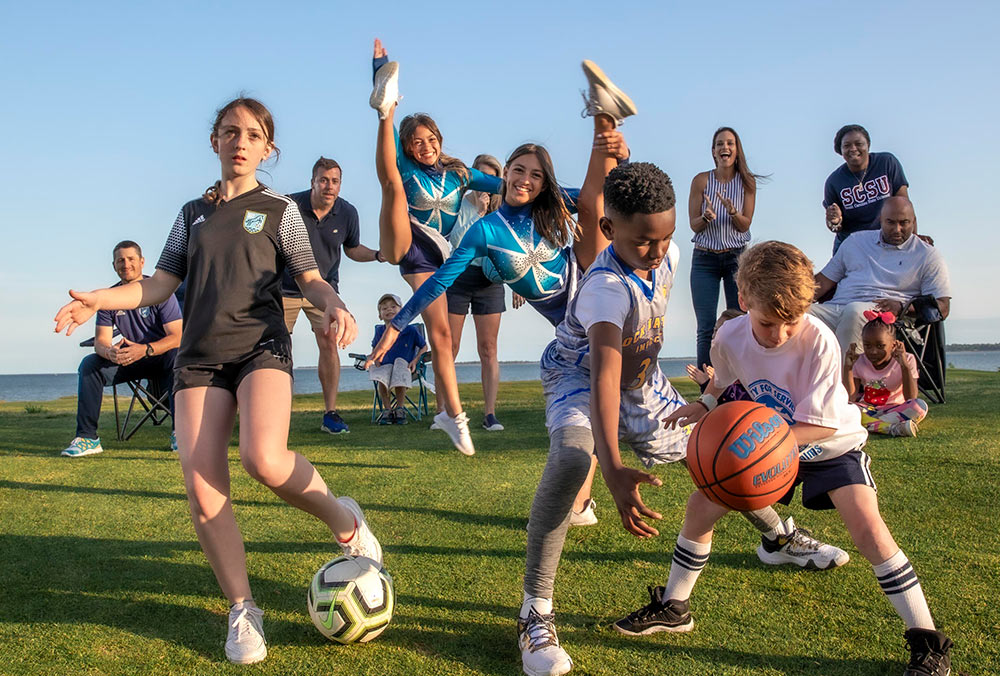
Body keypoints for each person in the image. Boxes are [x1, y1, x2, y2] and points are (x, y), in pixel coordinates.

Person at [54, 97, 381, 665]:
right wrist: (98, 301)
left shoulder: (281, 209)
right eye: (230, 132)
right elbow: (158, 284)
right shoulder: (191, 214)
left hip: (260, 346)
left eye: (252, 134)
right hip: (198, 358)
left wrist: (334, 304)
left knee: (264, 459)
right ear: (214, 141)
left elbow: (310, 277)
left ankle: (344, 520)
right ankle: (243, 609)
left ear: (267, 148)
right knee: (203, 490)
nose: (240, 141)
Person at [517, 167, 848, 676]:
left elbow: (629, 373)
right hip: (579, 379)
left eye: (667, 235)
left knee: (728, 454)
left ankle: (779, 539)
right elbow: (603, 378)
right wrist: (612, 469)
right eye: (643, 240)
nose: (657, 249)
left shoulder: (669, 253)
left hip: (643, 384)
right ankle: (535, 613)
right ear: (609, 230)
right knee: (569, 460)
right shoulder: (605, 288)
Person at [632, 241, 952, 676]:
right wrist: (705, 405)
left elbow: (820, 425)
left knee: (870, 531)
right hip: (770, 441)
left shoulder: (818, 339)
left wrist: (757, 446)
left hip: (829, 443)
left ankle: (929, 644)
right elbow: (724, 381)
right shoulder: (728, 335)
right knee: (700, 505)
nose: (780, 333)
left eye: (791, 321)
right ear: (743, 300)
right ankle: (675, 607)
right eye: (768, 322)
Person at [367, 54, 630, 457]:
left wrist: (621, 157)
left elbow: (595, 196)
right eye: (518, 171)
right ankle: (385, 108)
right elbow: (440, 281)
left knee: (594, 204)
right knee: (608, 416)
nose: (526, 180)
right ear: (504, 172)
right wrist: (397, 324)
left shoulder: (537, 199)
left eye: (536, 175)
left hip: (587, 284)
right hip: (566, 320)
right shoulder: (483, 231)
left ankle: (604, 116)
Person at [367, 39, 505, 455]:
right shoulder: (405, 163)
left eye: (430, 139)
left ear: (439, 139)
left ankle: (453, 415)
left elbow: (507, 187)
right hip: (404, 244)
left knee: (442, 335)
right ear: (408, 145)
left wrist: (551, 193)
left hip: (436, 256)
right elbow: (392, 159)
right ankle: (383, 110)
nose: (424, 146)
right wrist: (379, 69)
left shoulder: (459, 172)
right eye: (416, 141)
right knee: (391, 181)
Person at [282, 157, 382, 435]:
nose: (329, 186)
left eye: (335, 181)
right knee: (276, 349)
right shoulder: (289, 206)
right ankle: (275, 413)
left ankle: (331, 414)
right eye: (323, 180)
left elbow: (352, 249)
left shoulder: (348, 213)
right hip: (284, 288)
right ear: (312, 182)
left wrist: (377, 255)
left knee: (329, 344)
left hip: (324, 290)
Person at [62, 240, 182, 457]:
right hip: (129, 359)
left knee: (178, 357)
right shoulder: (109, 298)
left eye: (131, 259)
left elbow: (178, 337)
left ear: (142, 262)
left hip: (162, 356)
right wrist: (110, 352)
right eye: (120, 260)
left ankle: (181, 433)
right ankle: (87, 438)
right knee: (90, 364)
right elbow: (101, 341)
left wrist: (145, 349)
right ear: (114, 265)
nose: (126, 264)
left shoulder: (161, 293)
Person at [811, 196, 951, 353]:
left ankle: (847, 377)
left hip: (884, 318)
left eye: (904, 223)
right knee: (796, 314)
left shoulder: (927, 255)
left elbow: (942, 307)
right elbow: (822, 283)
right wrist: (791, 299)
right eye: (890, 222)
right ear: (880, 219)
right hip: (837, 309)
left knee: (854, 312)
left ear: (914, 221)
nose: (897, 229)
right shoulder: (855, 241)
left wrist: (903, 307)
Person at [687, 127, 763, 369]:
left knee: (739, 320)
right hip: (704, 259)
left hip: (737, 258)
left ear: (736, 150)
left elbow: (744, 226)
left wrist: (732, 212)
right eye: (719, 144)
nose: (724, 148)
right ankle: (705, 389)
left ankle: (739, 382)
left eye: (729, 143)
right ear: (713, 152)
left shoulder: (747, 183)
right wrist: (706, 217)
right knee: (706, 327)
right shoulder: (701, 180)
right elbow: (693, 226)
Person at [446, 153, 508, 432]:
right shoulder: (459, 204)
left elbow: (507, 248)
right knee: (450, 347)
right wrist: (478, 213)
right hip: (458, 277)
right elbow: (459, 241)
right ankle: (445, 412)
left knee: (488, 348)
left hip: (489, 280)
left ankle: (490, 414)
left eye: (491, 178)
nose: (485, 184)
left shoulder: (502, 210)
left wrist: (516, 283)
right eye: (480, 177)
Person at [823, 124, 909, 253]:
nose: (853, 149)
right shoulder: (833, 181)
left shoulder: (887, 163)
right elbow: (836, 227)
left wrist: (912, 240)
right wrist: (834, 221)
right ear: (840, 150)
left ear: (867, 145)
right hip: (852, 244)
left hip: (885, 239)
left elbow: (905, 207)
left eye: (858, 143)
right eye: (846, 146)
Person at [844, 310, 928, 437]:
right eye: (867, 346)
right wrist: (848, 368)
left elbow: (911, 398)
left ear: (894, 345)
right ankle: (890, 428)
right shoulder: (859, 361)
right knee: (845, 408)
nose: (873, 352)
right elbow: (849, 398)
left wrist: (904, 366)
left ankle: (871, 425)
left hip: (895, 409)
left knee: (919, 406)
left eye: (880, 346)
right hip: (868, 409)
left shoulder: (907, 359)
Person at [369, 293, 429, 424]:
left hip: (406, 368)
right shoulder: (379, 331)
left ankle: (400, 408)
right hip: (385, 367)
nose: (389, 309)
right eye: (384, 308)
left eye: (393, 306)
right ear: (380, 315)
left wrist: (415, 361)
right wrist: (376, 359)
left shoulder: (411, 330)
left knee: (399, 365)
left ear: (402, 311)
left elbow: (424, 347)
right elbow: (375, 348)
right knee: (382, 373)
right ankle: (388, 410)